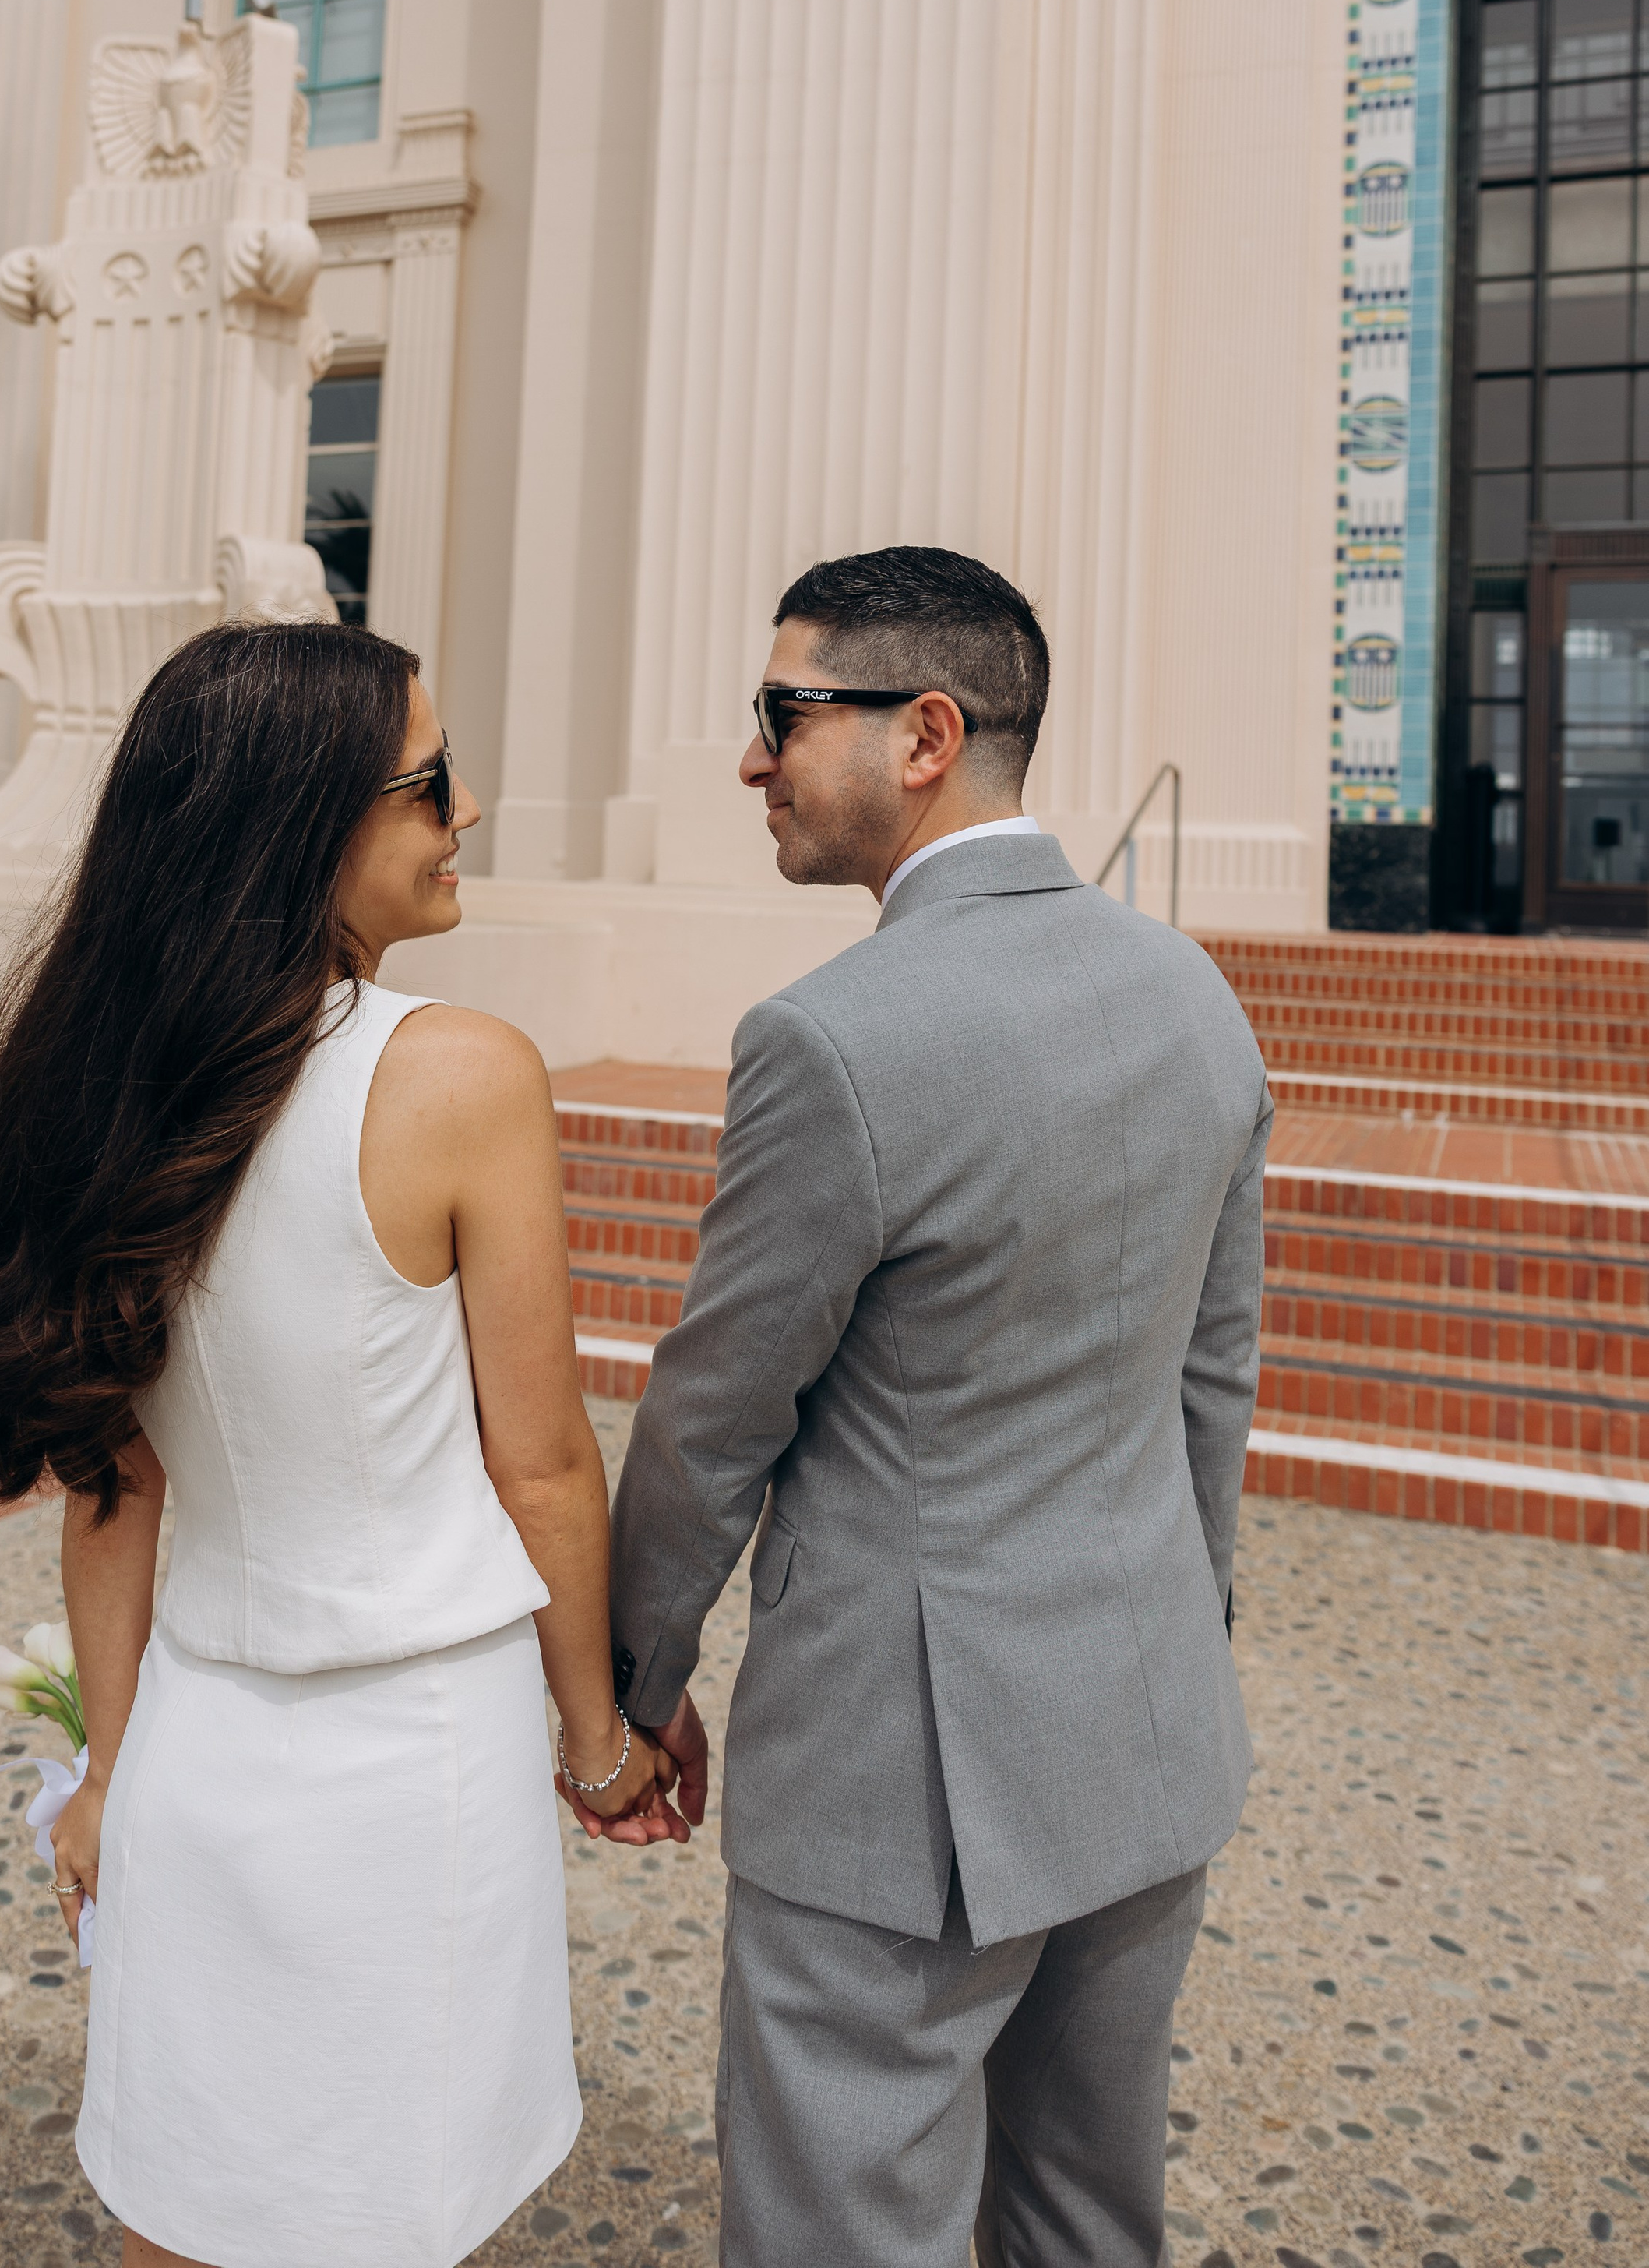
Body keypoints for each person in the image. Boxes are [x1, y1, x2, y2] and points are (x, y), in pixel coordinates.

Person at [0, 620, 678, 2268]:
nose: (463, 809)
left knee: (187, 2206)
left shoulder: (95, 1088)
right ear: (302, 822)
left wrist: (111, 1774)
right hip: (415, 1764)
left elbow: (113, 1491)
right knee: (386, 2210)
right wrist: (600, 1749)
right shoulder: (459, 1072)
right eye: (425, 783)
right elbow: (539, 1465)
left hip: (197, 1740)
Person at [604, 545, 1270, 2268]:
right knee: (1079, 2222)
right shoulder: (1190, 991)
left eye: (777, 714)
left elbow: (715, 1416)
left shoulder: (830, 1039)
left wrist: (630, 1682)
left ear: (921, 732)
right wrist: (1176, 1644)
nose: (750, 759)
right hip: (1141, 1735)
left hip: (902, 1788)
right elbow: (1212, 1371)